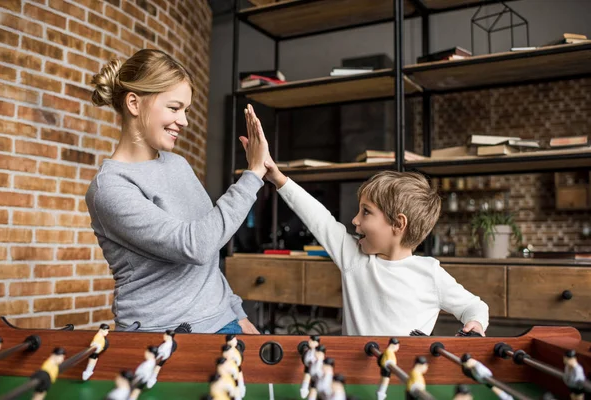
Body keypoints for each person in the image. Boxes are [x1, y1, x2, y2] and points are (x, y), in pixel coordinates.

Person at [242, 108, 489, 337]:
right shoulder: (354, 257)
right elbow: (319, 219)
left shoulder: (430, 274)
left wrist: (475, 324)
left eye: (366, 212)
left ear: (398, 224)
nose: (355, 220)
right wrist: (276, 176)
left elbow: (474, 306)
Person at [86, 49, 270, 333]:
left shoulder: (178, 164)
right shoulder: (110, 188)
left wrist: (237, 313)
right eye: (174, 108)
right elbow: (195, 246)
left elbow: (209, 253)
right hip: (164, 333)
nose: (183, 120)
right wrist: (253, 174)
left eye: (185, 110)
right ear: (134, 103)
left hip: (223, 320)